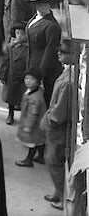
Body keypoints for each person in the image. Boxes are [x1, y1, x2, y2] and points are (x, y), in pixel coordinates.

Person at [42, 40, 77, 210]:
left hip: (57, 131)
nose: (59, 54)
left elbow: (58, 114)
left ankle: (60, 195)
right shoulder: (67, 74)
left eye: (62, 52)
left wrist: (47, 118)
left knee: (54, 162)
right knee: (52, 161)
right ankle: (58, 192)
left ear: (72, 56)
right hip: (56, 130)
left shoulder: (68, 81)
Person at [14, 69, 47, 167]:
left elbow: (33, 113)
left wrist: (28, 126)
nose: (28, 81)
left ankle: (28, 160)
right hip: (40, 124)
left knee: (31, 143)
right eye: (26, 78)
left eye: (31, 79)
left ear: (37, 82)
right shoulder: (36, 91)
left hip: (34, 125)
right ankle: (40, 157)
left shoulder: (34, 98)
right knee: (40, 141)